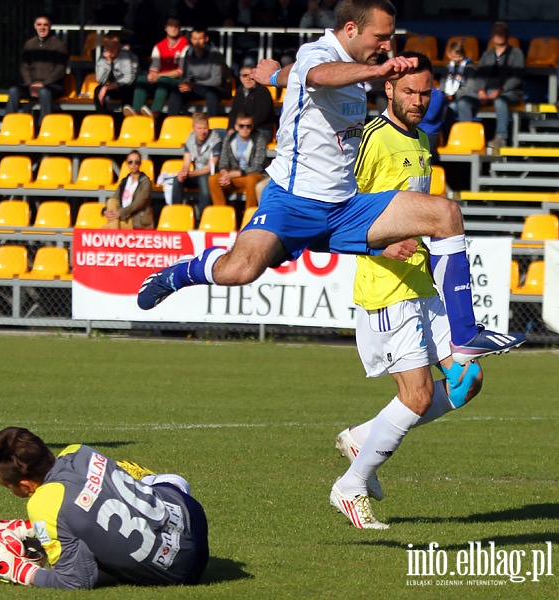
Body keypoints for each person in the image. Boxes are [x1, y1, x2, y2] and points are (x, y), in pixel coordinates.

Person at [137, 0, 525, 364]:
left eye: (391, 39)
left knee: (445, 213)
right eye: (381, 38)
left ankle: (464, 335)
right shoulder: (321, 54)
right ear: (352, 28)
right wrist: (378, 71)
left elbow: (299, 76)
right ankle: (176, 274)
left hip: (346, 207)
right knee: (238, 271)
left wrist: (273, 75)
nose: (387, 47)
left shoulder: (348, 66)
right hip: (293, 202)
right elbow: (318, 74)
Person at [329, 52, 484, 529]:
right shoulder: (370, 140)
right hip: (385, 288)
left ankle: (363, 436)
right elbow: (337, 212)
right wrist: (378, 248)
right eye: (410, 92)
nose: (418, 101)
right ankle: (350, 486)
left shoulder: (420, 140)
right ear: (389, 89)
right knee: (416, 397)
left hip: (422, 285)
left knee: (467, 380)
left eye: (426, 93)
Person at [0, 426, 209, 589]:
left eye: (6, 485)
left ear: (25, 484)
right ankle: (156, 481)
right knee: (156, 482)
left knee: (76, 533)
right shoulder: (79, 451)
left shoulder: (42, 503)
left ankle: (38, 530)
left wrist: (17, 570)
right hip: (189, 514)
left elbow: (77, 578)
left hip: (181, 571)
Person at [455, 21, 525, 149]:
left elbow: (516, 78)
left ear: (507, 35)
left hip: (509, 93)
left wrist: (500, 90)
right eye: (496, 33)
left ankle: (501, 138)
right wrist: (480, 90)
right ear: (492, 36)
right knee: (463, 101)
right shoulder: (487, 55)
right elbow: (479, 75)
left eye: (502, 32)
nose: (499, 35)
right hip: (486, 93)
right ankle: (467, 137)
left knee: (500, 101)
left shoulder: (516, 53)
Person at [5, 14, 68, 124]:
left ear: (50, 26)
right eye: (39, 24)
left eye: (45, 25)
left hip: (53, 85)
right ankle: (9, 124)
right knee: (13, 91)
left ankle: (44, 126)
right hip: (32, 85)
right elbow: (24, 66)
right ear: (35, 26)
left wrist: (43, 84)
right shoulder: (29, 44)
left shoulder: (59, 45)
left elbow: (60, 69)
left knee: (44, 92)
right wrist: (31, 84)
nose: (42, 28)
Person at [128, 16, 190, 118]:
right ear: (166, 27)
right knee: (142, 79)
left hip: (178, 81)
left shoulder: (185, 45)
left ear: (179, 28)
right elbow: (154, 67)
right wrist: (152, 75)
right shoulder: (159, 46)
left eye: (176, 26)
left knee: (163, 80)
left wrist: (159, 75)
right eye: (171, 25)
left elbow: (181, 71)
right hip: (161, 78)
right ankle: (136, 111)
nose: (173, 28)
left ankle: (155, 112)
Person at [208, 112, 269, 208]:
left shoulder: (259, 139)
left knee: (251, 180)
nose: (245, 129)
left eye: (248, 126)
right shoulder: (229, 139)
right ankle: (221, 213)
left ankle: (249, 214)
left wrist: (231, 174)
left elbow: (257, 167)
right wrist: (224, 174)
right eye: (242, 126)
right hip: (234, 176)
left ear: (252, 126)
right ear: (236, 127)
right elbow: (223, 163)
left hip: (254, 175)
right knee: (213, 180)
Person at [168, 27, 228, 117]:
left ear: (206, 39)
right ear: (191, 40)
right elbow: (186, 76)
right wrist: (185, 84)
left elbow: (216, 80)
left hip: (215, 87)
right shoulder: (189, 53)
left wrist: (193, 85)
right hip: (196, 87)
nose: (197, 42)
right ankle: (172, 122)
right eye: (195, 39)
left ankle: (213, 125)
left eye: (200, 39)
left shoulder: (214, 54)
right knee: (176, 93)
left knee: (211, 95)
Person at [172, 112, 222, 217]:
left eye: (205, 128)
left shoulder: (215, 140)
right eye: (199, 128)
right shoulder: (190, 140)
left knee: (204, 181)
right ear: (194, 128)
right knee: (178, 179)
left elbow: (210, 168)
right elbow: (186, 162)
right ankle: (176, 214)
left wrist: (191, 174)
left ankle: (202, 218)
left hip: (209, 174)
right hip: (196, 173)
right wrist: (184, 172)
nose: (203, 132)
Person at [103, 150, 155, 229]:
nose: (133, 165)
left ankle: (114, 234)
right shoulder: (125, 181)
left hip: (137, 220)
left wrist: (120, 212)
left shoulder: (146, 182)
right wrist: (105, 211)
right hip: (123, 218)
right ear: (127, 164)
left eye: (136, 162)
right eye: (130, 162)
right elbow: (114, 198)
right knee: (111, 201)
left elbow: (139, 203)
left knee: (105, 229)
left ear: (140, 163)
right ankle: (115, 232)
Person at [228, 65, 277, 143]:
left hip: (261, 130)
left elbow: (262, 115)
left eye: (251, 76)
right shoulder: (239, 92)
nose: (248, 78)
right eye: (245, 75)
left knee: (243, 141)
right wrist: (231, 128)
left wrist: (245, 127)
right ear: (240, 78)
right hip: (242, 128)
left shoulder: (263, 92)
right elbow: (234, 112)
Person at [94, 31, 140, 114]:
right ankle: (103, 118)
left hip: (130, 87)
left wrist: (107, 87)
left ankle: (127, 119)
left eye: (113, 45)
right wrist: (108, 62)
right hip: (114, 87)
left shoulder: (126, 57)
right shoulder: (102, 58)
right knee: (97, 90)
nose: (110, 48)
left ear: (119, 45)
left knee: (127, 90)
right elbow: (100, 79)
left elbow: (127, 79)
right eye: (107, 46)